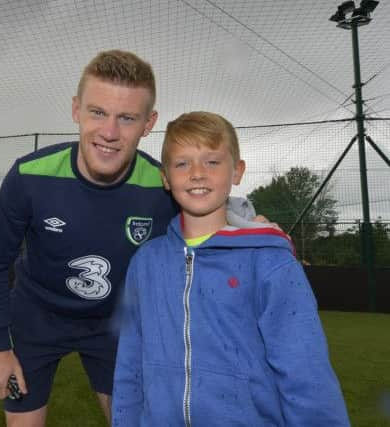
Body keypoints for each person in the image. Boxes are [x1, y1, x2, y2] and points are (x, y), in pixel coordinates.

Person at [0, 51, 258, 427]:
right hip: (35, 321)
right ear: (76, 110)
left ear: (148, 123)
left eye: (127, 118)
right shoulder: (29, 176)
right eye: (97, 112)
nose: (109, 132)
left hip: (115, 327)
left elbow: (206, 205)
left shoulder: (160, 185)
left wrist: (249, 221)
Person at [112, 111, 350, 426]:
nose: (197, 173)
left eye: (212, 162)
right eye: (182, 163)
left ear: (237, 172)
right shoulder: (146, 263)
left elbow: (306, 372)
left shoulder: (270, 260)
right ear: (165, 178)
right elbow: (130, 365)